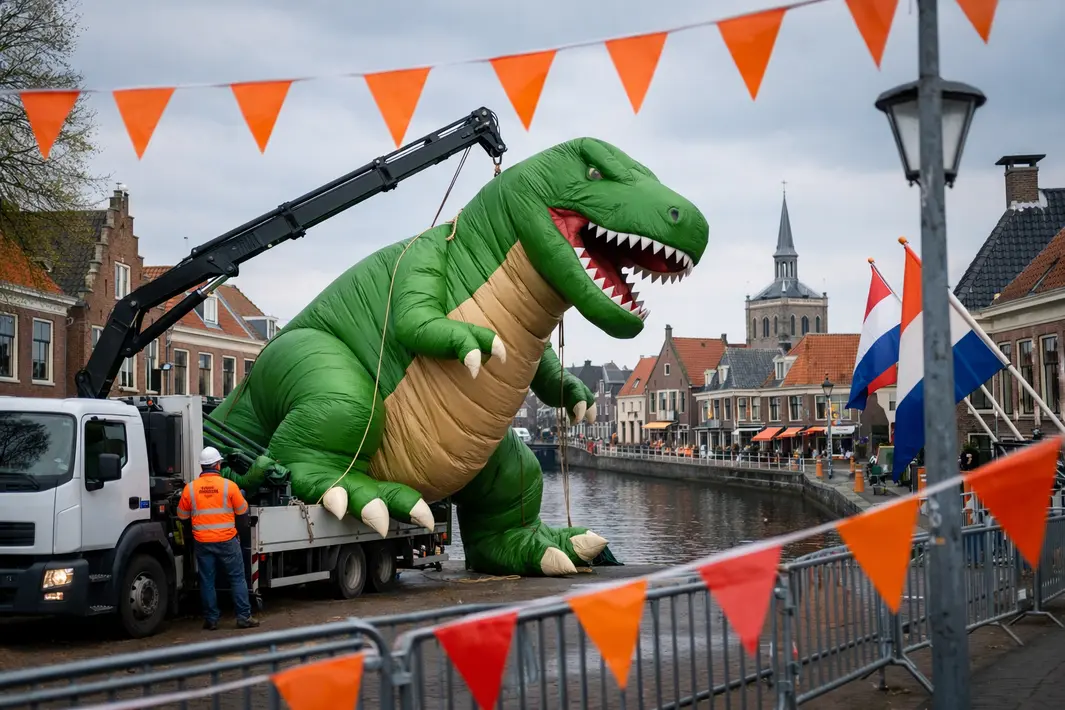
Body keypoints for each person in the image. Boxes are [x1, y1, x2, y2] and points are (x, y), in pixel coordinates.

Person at [177, 446, 260, 631]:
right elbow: (242, 511)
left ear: (202, 466)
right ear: (217, 465)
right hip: (227, 540)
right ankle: (243, 617)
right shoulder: (229, 486)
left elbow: (182, 516)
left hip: (203, 542)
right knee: (237, 578)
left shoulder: (190, 489)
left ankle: (211, 620)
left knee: (207, 581)